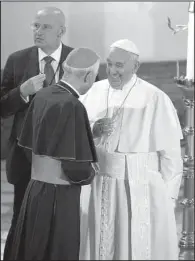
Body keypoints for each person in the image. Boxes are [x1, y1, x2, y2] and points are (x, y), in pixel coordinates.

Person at [79, 39, 183, 260]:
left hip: (139, 186)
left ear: (135, 67)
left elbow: (171, 155)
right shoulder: (93, 91)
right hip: (99, 183)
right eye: (109, 64)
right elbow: (75, 131)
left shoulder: (154, 97)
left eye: (119, 65)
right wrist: (93, 129)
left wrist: (168, 198)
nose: (112, 71)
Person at [7, 47, 100, 260]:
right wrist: (91, 172)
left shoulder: (44, 94)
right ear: (87, 75)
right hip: (59, 195)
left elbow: (35, 142)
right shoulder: (72, 104)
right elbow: (74, 167)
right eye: (94, 77)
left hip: (35, 188)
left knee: (34, 248)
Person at [1, 7, 74, 259]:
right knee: (22, 216)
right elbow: (2, 106)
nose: (38, 32)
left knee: (62, 218)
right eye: (35, 26)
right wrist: (22, 91)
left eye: (45, 27)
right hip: (25, 157)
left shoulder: (78, 59)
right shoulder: (16, 60)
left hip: (66, 157)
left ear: (61, 31)